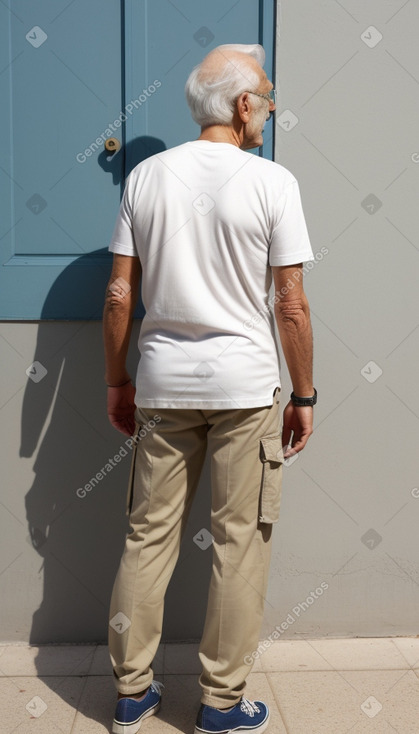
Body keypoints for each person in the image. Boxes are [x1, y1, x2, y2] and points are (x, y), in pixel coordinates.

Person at [103, 43, 316, 734]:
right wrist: (304, 395)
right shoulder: (271, 182)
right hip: (245, 391)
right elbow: (291, 304)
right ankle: (221, 705)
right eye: (267, 93)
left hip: (163, 386)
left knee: (147, 537)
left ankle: (132, 695)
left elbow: (116, 297)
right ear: (242, 104)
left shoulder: (144, 178)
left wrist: (118, 381)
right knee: (239, 543)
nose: (272, 106)